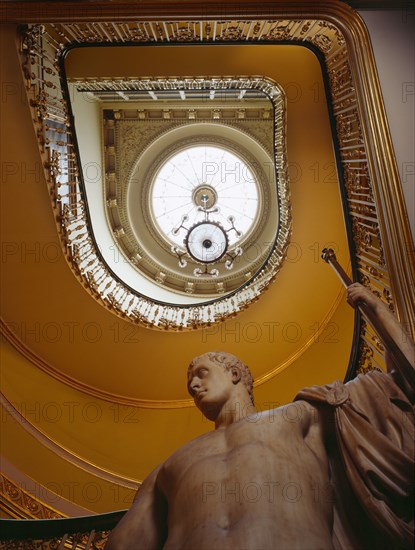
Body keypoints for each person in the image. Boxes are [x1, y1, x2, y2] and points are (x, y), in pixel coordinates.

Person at [106, 283, 414, 550]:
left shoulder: (300, 415)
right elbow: (126, 544)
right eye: (190, 384)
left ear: (235, 373)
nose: (193, 385)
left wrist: (376, 309)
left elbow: (402, 383)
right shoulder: (166, 469)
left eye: (201, 374)